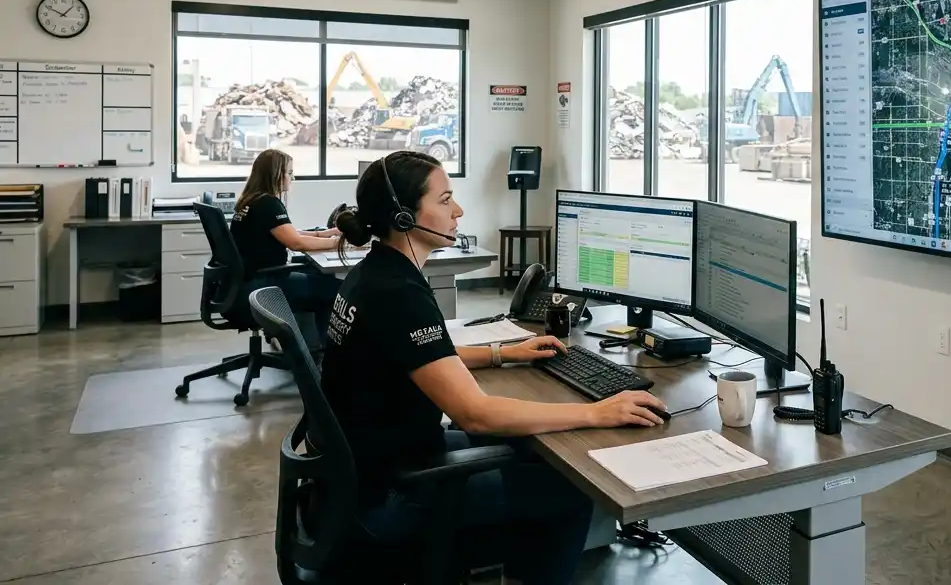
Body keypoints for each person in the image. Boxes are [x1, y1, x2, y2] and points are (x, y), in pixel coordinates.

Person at [325, 152, 666, 585]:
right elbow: (475, 413)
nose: (459, 211)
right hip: (395, 491)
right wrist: (597, 412)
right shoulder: (399, 293)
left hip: (368, 467)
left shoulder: (374, 275)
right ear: (405, 217)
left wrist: (505, 353)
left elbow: (419, 357)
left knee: (532, 448)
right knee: (570, 488)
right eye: (446, 200)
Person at [231, 149, 341, 351]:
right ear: (276, 174)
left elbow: (287, 232)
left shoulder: (251, 200)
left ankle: (308, 346)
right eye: (289, 172)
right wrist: (339, 243)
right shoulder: (268, 204)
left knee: (315, 272)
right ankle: (328, 357)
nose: (292, 177)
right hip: (264, 283)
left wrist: (323, 234)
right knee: (336, 292)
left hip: (248, 281)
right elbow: (296, 243)